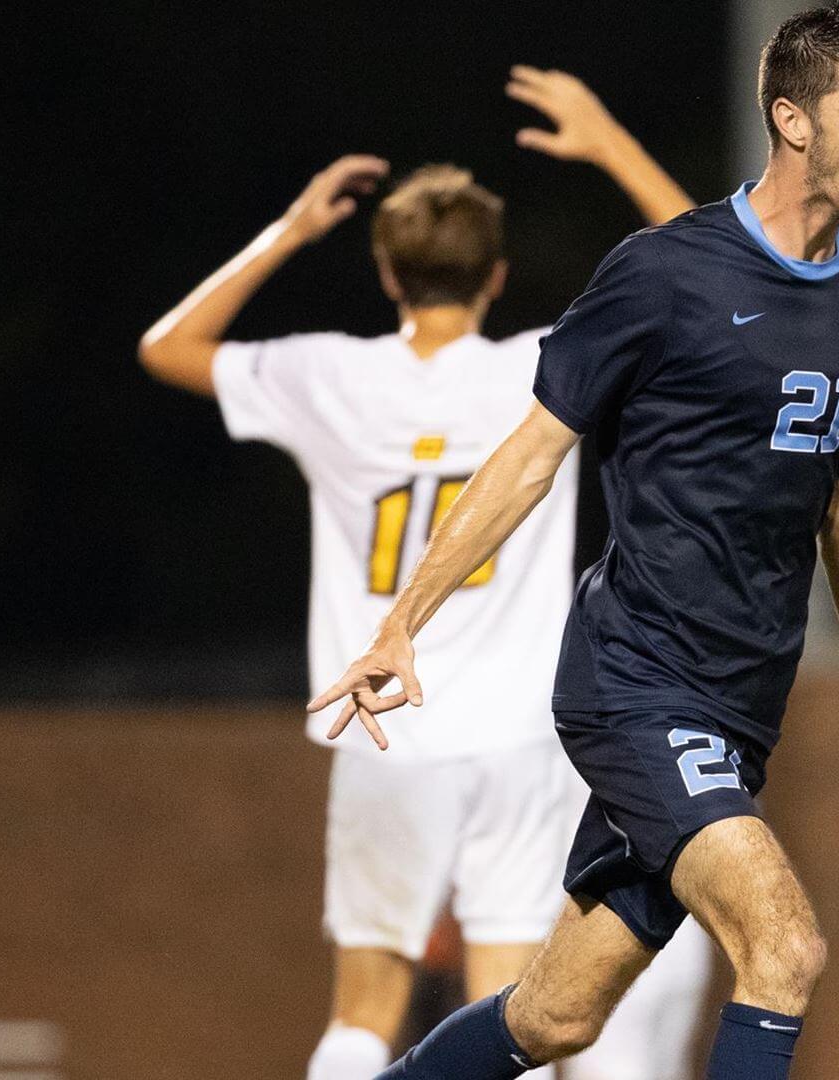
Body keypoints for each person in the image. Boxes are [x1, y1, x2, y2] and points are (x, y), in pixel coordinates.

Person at [307, 9, 839, 1080]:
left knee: (556, 1018)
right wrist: (401, 628)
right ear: (791, 119)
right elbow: (528, 456)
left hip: (739, 711)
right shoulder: (664, 273)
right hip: (637, 685)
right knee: (785, 946)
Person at [139, 69, 713, 1080]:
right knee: (508, 1008)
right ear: (497, 276)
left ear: (386, 274)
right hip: (516, 733)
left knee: (365, 1006)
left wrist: (288, 228)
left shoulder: (330, 376)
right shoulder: (545, 363)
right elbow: (717, 279)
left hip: (382, 725)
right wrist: (612, 139)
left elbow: (167, 346)